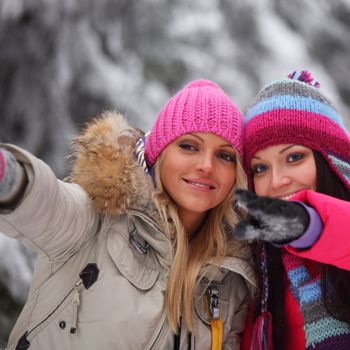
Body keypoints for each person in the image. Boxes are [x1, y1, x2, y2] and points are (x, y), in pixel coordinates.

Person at [0, 79, 256, 350]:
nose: (206, 165)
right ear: (160, 154)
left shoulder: (233, 277)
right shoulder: (98, 217)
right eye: (189, 146)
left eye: (225, 156)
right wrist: (10, 176)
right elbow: (47, 202)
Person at [235, 70, 350, 350]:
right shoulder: (258, 269)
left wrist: (311, 226)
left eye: (294, 157)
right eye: (260, 168)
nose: (276, 181)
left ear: (331, 161)